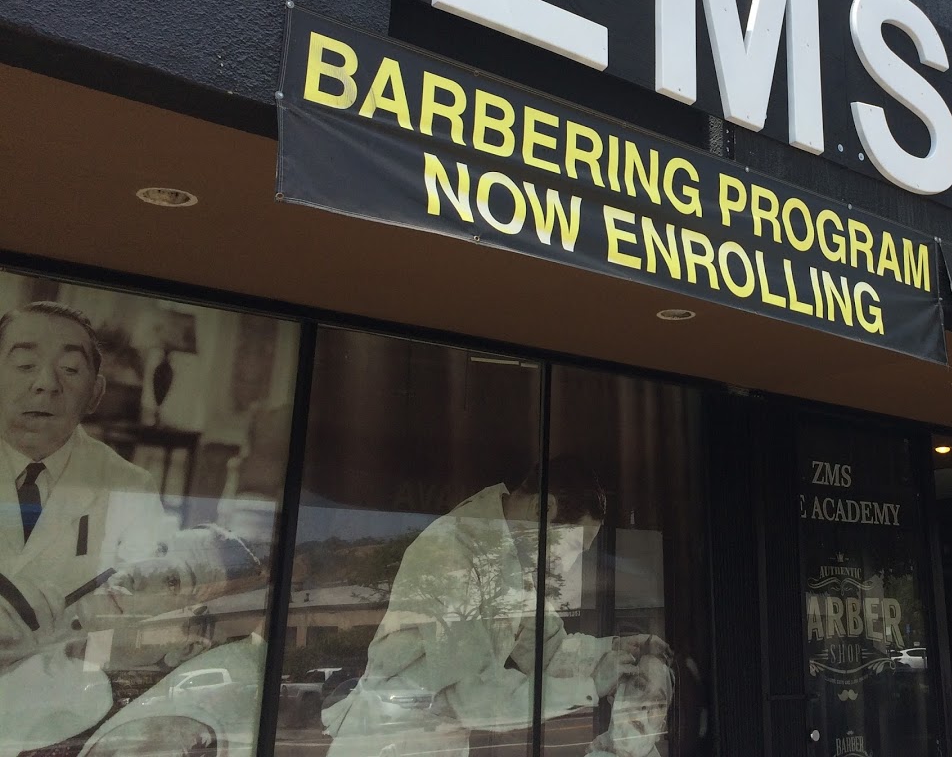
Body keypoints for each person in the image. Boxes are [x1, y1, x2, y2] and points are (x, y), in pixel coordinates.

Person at [0, 301, 255, 757]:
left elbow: (136, 623)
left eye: (70, 370)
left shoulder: (129, 486)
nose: (45, 384)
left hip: (44, 704)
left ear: (95, 393)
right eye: (24, 365)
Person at [324, 457, 670, 757]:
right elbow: (474, 694)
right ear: (543, 509)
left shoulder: (513, 560)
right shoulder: (451, 552)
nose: (567, 566)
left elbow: (548, 650)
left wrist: (617, 650)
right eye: (571, 547)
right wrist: (590, 686)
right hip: (385, 742)